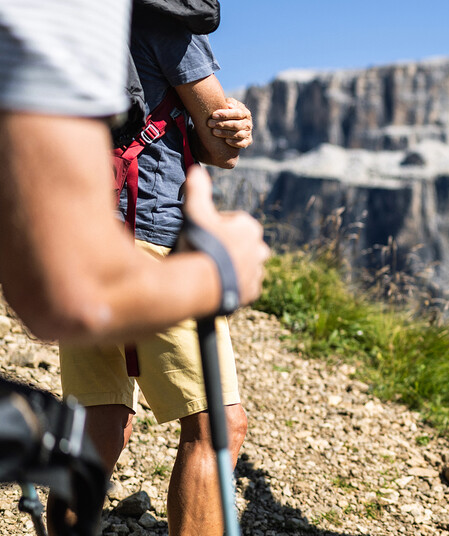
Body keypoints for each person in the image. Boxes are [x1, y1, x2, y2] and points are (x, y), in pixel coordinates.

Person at [53, 4, 254, 535]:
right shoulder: (169, 24)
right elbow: (221, 145)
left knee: (99, 423)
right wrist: (237, 129)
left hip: (78, 241)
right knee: (216, 426)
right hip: (150, 243)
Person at [0, 0, 269, 344]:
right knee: (206, 400)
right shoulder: (171, 23)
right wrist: (218, 274)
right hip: (161, 242)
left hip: (83, 230)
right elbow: (223, 150)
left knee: (98, 397)